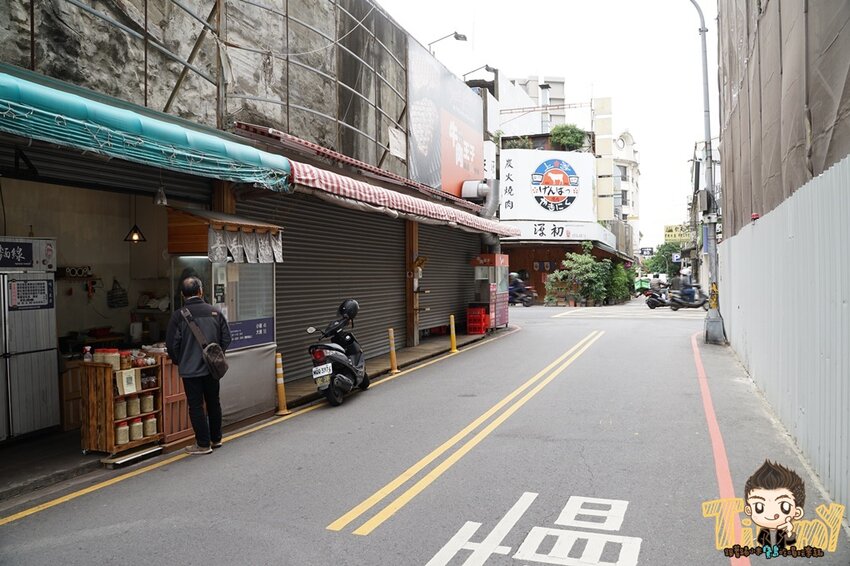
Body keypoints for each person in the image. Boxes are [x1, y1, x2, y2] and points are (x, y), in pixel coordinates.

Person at [166, 275, 232, 455]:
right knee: (213, 401)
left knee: (196, 405)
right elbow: (227, 338)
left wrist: (181, 360)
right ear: (201, 291)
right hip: (212, 368)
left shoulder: (178, 316)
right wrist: (216, 356)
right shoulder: (215, 312)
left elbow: (172, 345)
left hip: (190, 370)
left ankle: (203, 444)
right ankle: (216, 439)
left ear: (182, 294)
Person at [743, 460, 805, 550]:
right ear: (749, 510)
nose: (771, 514)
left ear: (797, 512)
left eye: (784, 507)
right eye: (759, 507)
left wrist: (789, 533)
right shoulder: (763, 533)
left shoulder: (786, 529)